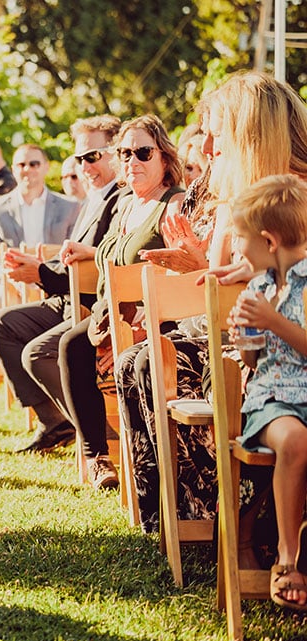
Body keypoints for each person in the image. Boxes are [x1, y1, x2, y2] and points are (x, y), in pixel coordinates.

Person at [118, 71, 307, 534]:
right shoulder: (232, 198)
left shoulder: (296, 195)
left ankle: (219, 517)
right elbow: (216, 280)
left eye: (215, 137)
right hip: (242, 337)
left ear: (249, 135)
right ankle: (178, 517)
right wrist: (201, 262)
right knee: (136, 361)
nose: (205, 150)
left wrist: (254, 274)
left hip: (271, 352)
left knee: (152, 362)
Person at [55, 114, 185, 490]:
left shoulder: (173, 205)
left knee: (71, 345)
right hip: (107, 315)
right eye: (125, 153)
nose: (133, 161)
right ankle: (98, 457)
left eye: (143, 152)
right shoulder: (127, 204)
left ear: (164, 156)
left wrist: (137, 321)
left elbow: (182, 271)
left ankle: (125, 457)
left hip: (154, 318)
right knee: (72, 345)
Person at [0, 115, 122, 453]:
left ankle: (99, 432)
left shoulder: (119, 199)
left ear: (116, 153)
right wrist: (37, 269)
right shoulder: (93, 198)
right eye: (79, 159)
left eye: (92, 157)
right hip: (66, 296)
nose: (84, 167)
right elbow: (74, 258)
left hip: (90, 303)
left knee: (38, 352)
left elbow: (98, 265)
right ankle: (54, 420)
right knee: (1, 323)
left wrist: (40, 273)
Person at [224, 175, 307, 611]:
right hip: (273, 402)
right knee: (295, 438)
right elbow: (256, 365)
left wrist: (274, 322)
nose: (237, 248)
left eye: (240, 237)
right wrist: (245, 340)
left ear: (269, 240)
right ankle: (287, 557)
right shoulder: (258, 287)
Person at [0, 143, 79, 376]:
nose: (28, 169)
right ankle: (4, 371)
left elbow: (74, 249)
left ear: (45, 167)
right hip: (10, 279)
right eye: (21, 164)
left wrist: (47, 276)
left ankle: (47, 366)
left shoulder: (70, 207)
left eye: (34, 164)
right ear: (13, 168)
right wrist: (3, 278)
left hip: (56, 280)